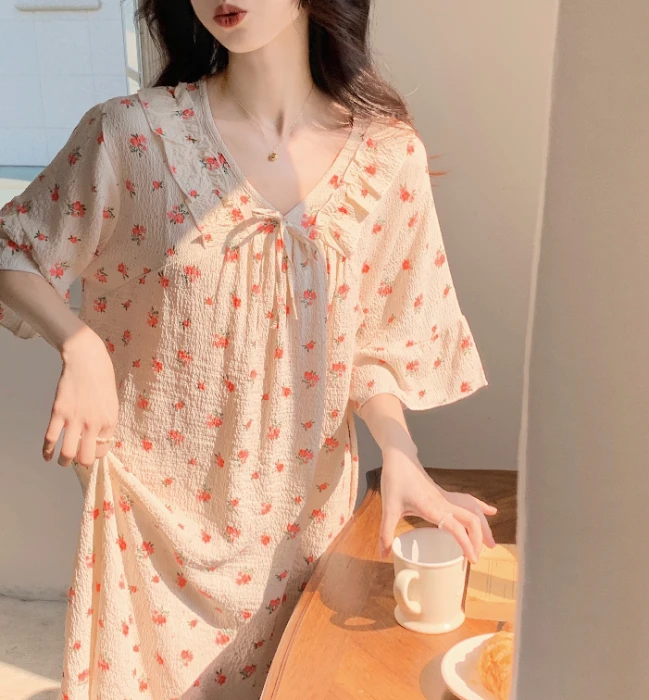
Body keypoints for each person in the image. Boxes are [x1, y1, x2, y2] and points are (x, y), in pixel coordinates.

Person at [0, 1, 497, 697]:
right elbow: (15, 246)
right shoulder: (133, 135)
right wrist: (79, 345)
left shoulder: (389, 157)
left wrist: (401, 453)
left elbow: (373, 343)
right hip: (151, 538)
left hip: (305, 531)